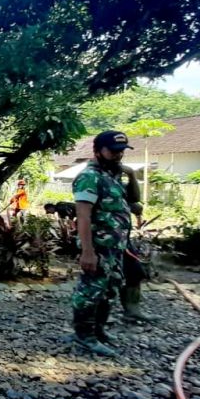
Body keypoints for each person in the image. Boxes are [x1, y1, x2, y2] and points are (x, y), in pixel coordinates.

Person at [71, 130, 134, 357]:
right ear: (98, 151)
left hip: (114, 247)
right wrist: (87, 251)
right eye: (113, 151)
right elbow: (84, 216)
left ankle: (98, 330)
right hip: (98, 246)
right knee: (91, 290)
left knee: (110, 288)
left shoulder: (111, 176)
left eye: (121, 152)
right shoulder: (90, 176)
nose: (118, 156)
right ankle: (84, 336)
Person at [118, 163, 155, 323]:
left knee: (135, 272)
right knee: (103, 282)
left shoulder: (118, 183)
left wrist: (132, 175)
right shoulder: (93, 178)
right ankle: (91, 327)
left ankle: (132, 311)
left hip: (123, 240)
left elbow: (135, 200)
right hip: (103, 241)